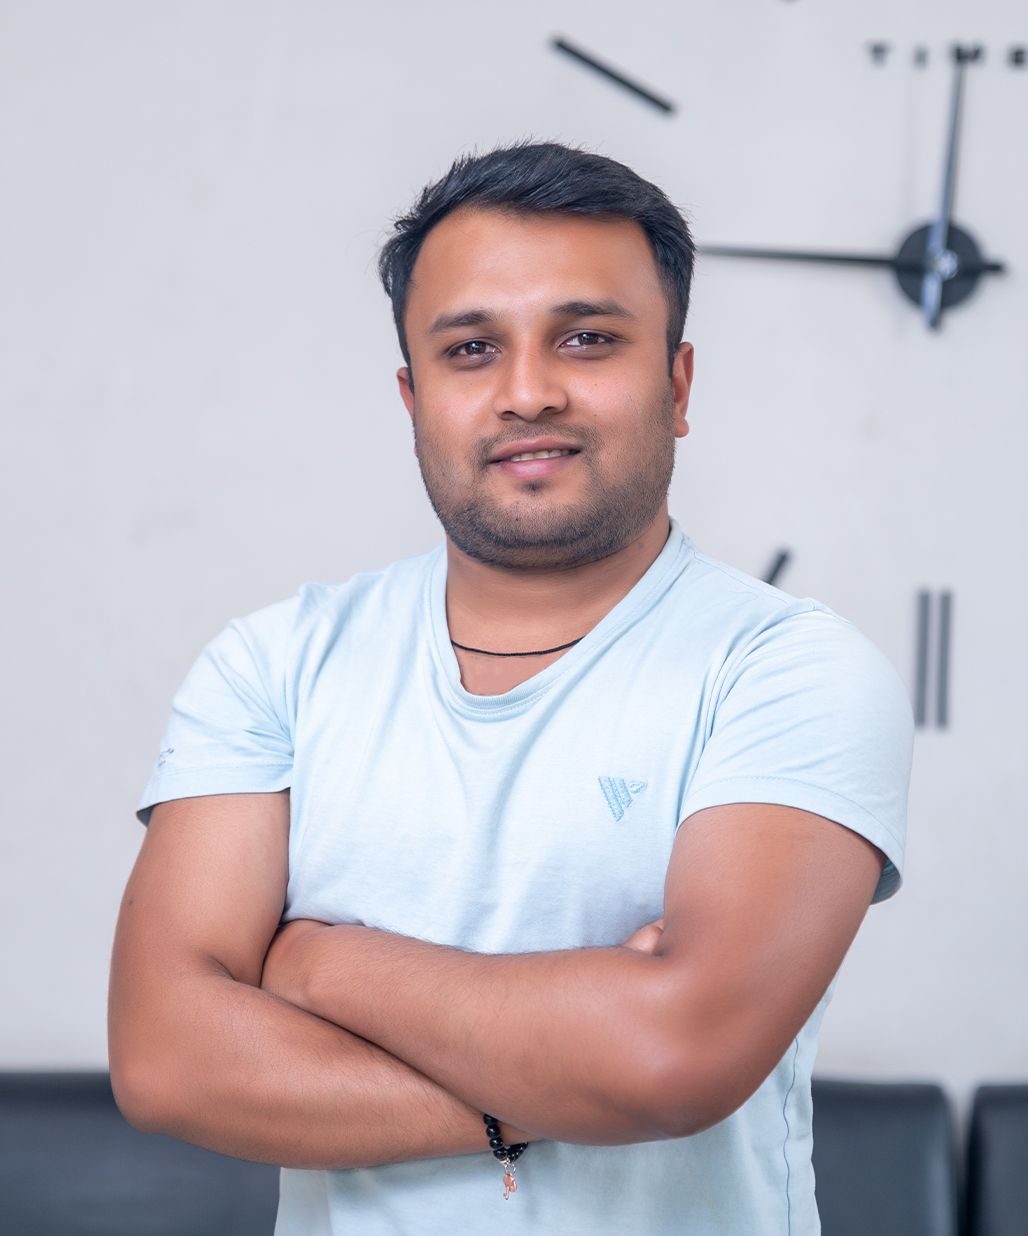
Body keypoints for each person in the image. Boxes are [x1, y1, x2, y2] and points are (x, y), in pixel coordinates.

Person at [109, 142, 913, 1236]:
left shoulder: (785, 671)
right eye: (471, 349)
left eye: (587, 339)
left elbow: (671, 1056)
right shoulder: (275, 666)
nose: (528, 391)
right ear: (413, 397)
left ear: (676, 385)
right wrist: (568, 1075)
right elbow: (166, 1059)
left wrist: (317, 961)